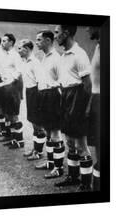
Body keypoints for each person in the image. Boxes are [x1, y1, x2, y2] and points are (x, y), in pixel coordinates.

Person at [54, 25, 93, 191]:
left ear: (66, 33)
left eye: (57, 33)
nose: (56, 36)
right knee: (70, 141)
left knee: (81, 144)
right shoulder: (63, 55)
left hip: (78, 98)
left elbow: (88, 85)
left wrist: (85, 108)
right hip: (66, 96)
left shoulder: (79, 54)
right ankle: (73, 177)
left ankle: (86, 184)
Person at [34, 30, 64, 179]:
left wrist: (54, 87)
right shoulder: (44, 57)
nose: (36, 42)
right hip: (43, 96)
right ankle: (51, 162)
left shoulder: (57, 58)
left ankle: (59, 168)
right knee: (48, 131)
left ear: (47, 40)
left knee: (55, 133)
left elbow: (64, 80)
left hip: (53, 96)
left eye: (39, 40)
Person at [0, 33, 24, 149]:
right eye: (2, 41)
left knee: (14, 114)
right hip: (4, 87)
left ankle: (19, 140)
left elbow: (19, 71)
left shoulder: (15, 55)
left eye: (5, 41)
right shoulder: (3, 55)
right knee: (7, 113)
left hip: (12, 87)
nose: (2, 43)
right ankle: (11, 137)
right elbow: (0, 70)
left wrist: (10, 81)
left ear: (11, 42)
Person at [17, 39, 47, 158]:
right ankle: (36, 150)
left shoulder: (35, 62)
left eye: (20, 48)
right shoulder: (25, 62)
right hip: (30, 92)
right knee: (33, 123)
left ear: (28, 49)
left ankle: (39, 152)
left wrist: (39, 101)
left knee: (38, 124)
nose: (18, 50)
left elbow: (41, 82)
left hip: (36, 93)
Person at [86, 26, 100, 191]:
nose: (88, 28)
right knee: (96, 146)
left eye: (91, 26)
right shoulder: (98, 45)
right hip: (95, 99)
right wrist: (90, 103)